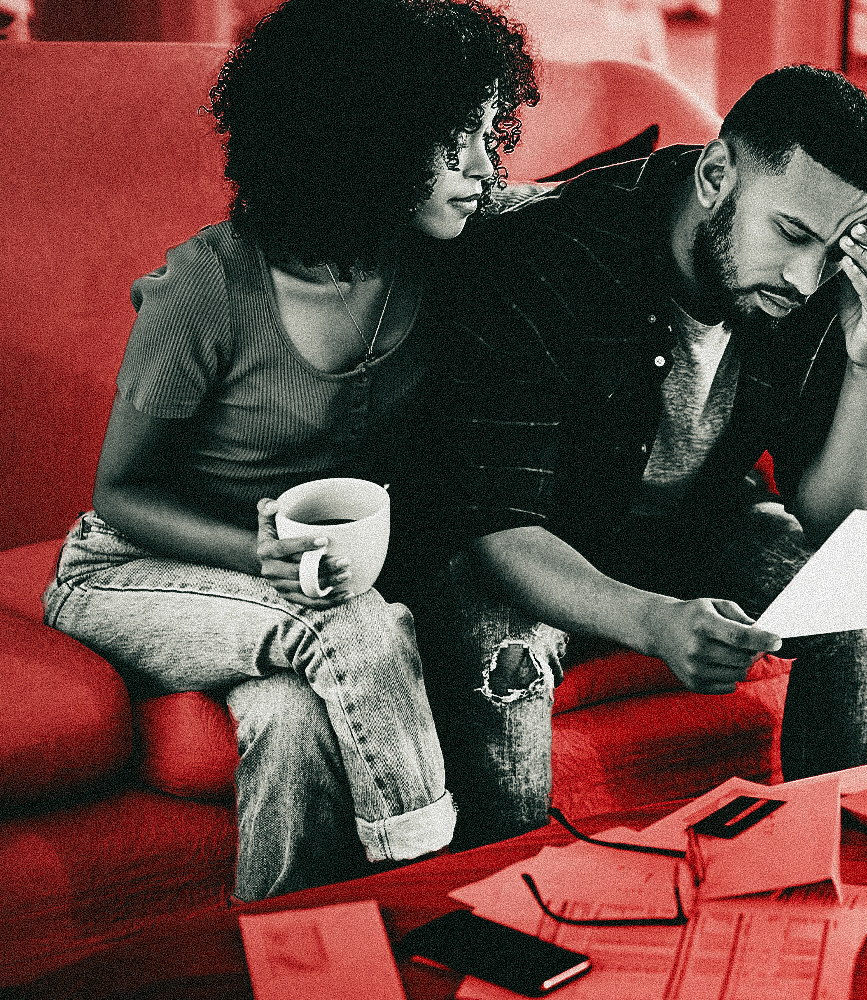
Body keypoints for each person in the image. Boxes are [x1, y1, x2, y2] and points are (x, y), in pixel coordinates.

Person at [41, 0, 538, 900]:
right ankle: (432, 892)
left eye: (487, 132)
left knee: (292, 720)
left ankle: (289, 960)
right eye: (450, 141)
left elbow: (597, 208)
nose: (483, 166)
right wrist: (257, 555)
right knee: (356, 627)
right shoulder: (207, 289)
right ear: (362, 144)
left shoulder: (450, 252)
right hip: (132, 572)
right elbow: (120, 493)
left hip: (296, 586)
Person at [401, 65, 867, 847]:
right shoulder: (548, 255)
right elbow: (498, 528)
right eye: (792, 235)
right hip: (542, 546)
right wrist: (655, 622)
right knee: (495, 646)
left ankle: (818, 865)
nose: (807, 276)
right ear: (715, 176)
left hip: (694, 524)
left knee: (859, 595)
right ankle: (505, 898)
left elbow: (842, 519)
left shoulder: (814, 286)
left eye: (838, 248)